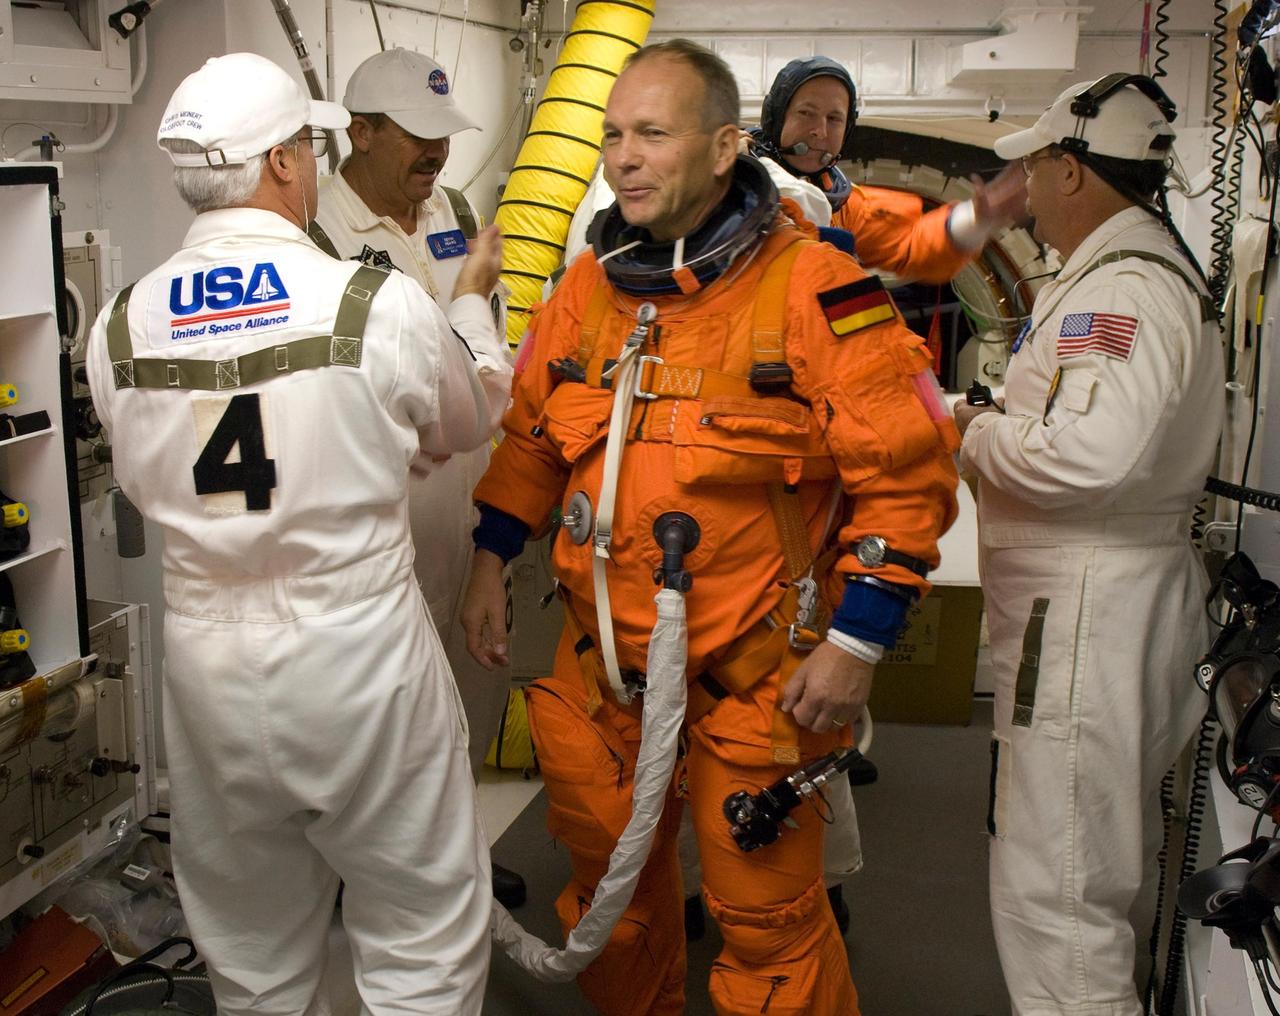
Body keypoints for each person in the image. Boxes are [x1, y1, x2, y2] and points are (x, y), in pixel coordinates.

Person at [463, 39, 959, 1015]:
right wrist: (489, 557)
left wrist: (858, 641)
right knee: (612, 909)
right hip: (604, 668)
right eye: (612, 134)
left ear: (725, 146)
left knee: (769, 926)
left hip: (753, 670)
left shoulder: (815, 289)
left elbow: (909, 471)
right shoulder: (586, 293)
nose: (623, 156)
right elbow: (529, 438)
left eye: (652, 133)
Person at [86, 52, 512, 1015]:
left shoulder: (115, 326)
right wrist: (472, 311)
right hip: (358, 651)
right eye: (307, 150)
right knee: (422, 938)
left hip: (207, 667)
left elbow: (150, 462)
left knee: (253, 950)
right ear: (282, 162)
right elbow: (468, 416)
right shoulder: (372, 303)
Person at [953, 74, 1224, 1015]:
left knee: (1057, 895)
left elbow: (1090, 455)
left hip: (1084, 615)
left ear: (1070, 170)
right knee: (1078, 871)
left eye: (1033, 168)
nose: (1025, 191)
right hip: (1097, 604)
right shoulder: (1118, 274)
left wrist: (974, 433)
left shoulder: (1123, 291)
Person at [310, 46, 525, 908]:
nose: (435, 151)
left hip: (467, 501)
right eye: (415, 133)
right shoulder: (318, 237)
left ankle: (458, 856)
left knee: (469, 687)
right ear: (360, 133)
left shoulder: (455, 210)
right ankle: (374, 879)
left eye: (444, 133)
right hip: (387, 514)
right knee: (384, 712)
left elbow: (487, 338)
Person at [751, 56, 1026, 282]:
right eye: (806, 113)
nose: (820, 131)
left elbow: (910, 246)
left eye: (834, 119)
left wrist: (973, 220)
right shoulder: (737, 179)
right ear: (776, 116)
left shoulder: (844, 208)